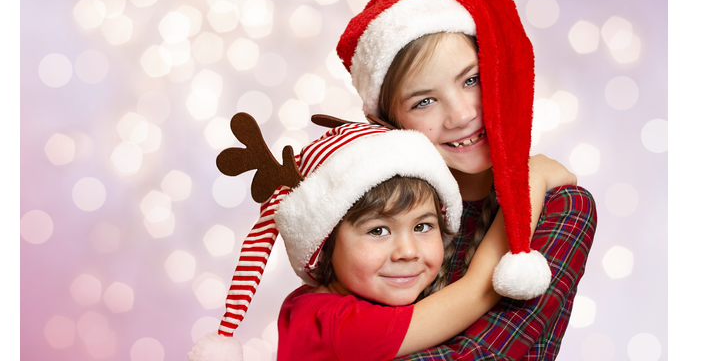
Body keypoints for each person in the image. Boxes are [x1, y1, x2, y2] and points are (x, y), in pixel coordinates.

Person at [334, 0, 597, 360]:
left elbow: (483, 354)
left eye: (472, 80)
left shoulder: (563, 207)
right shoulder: (373, 204)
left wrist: (525, 186)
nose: (459, 116)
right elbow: (330, 326)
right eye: (423, 101)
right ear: (391, 123)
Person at [188, 115, 568, 361]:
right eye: (378, 230)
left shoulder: (321, 303)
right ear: (326, 245)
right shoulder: (336, 324)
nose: (407, 252)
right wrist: (527, 182)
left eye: (423, 226)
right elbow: (477, 291)